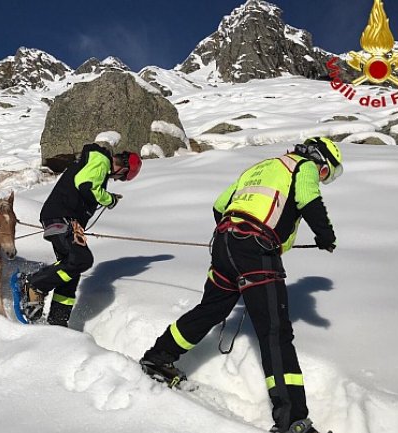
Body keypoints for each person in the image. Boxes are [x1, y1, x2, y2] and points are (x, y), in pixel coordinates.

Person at [139, 137, 343, 433]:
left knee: (211, 309)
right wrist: (326, 236)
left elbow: (220, 204)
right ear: (319, 159)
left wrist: (232, 234)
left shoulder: (261, 167)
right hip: (256, 248)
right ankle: (292, 421)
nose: (322, 178)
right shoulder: (304, 166)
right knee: (275, 333)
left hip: (225, 243)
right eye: (327, 173)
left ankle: (158, 358)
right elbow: (309, 199)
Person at [20, 143, 142, 326]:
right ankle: (35, 285)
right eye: (122, 178)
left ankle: (58, 321)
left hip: (62, 218)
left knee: (71, 271)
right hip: (61, 217)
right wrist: (109, 199)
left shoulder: (97, 165)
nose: (117, 180)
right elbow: (86, 185)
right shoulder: (100, 161)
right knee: (81, 260)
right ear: (123, 168)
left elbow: (86, 186)